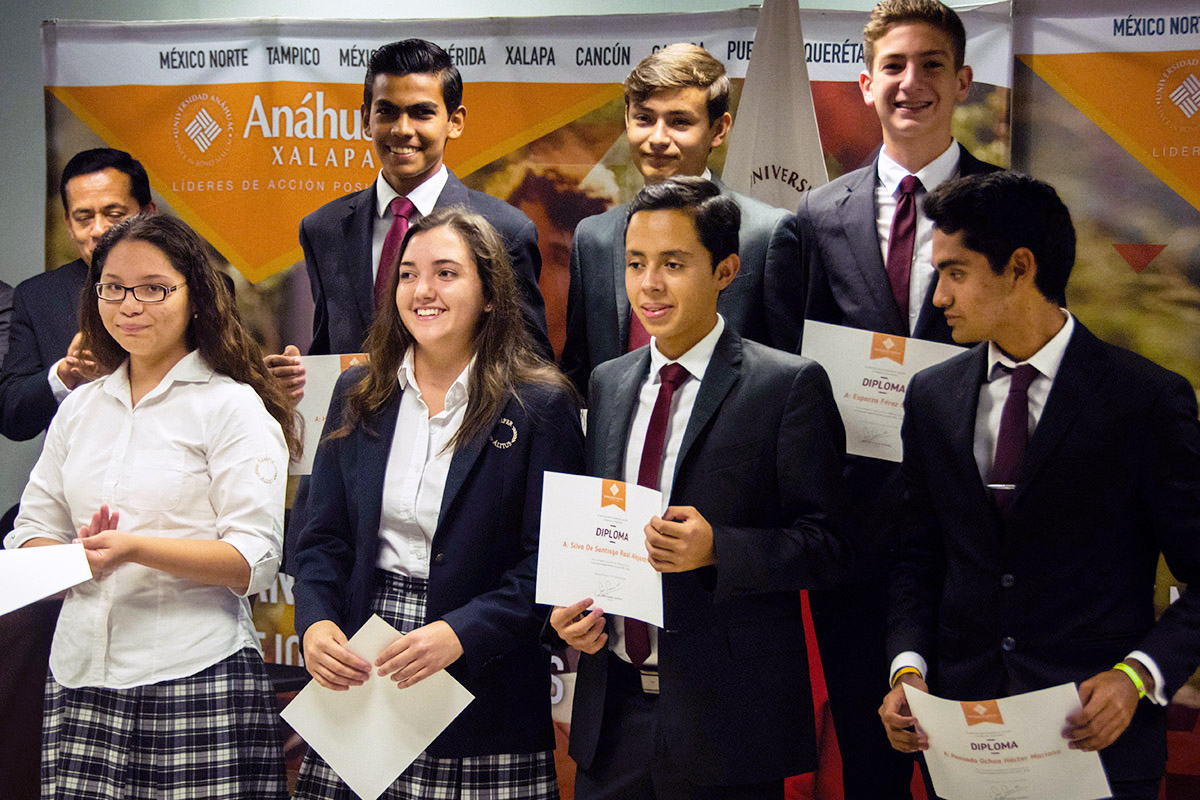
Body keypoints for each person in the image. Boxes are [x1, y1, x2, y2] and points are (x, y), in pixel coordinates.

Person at [880, 171, 1200, 800]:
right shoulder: (930, 396)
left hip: (1096, 742)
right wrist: (908, 669)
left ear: (1020, 267)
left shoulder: (1147, 400)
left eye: (956, 272)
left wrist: (1137, 676)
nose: (937, 296)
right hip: (963, 741)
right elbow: (915, 560)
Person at [550, 177, 851, 800]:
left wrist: (721, 550)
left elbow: (827, 546)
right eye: (635, 264)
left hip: (726, 721)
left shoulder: (786, 386)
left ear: (726, 270)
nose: (649, 285)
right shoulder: (607, 383)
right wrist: (572, 610)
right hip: (614, 712)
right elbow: (598, 532)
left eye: (673, 264)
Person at [292, 206, 583, 800]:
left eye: (446, 273)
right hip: (364, 665)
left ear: (492, 295)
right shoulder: (358, 390)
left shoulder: (539, 404)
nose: (422, 290)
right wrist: (316, 623)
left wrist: (460, 633)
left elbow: (553, 564)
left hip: (486, 679)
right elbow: (322, 538)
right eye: (407, 274)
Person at [784, 4, 1001, 796]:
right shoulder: (814, 217)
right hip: (853, 545)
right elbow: (792, 379)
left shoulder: (1008, 207)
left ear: (963, 81)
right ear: (867, 82)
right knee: (870, 772)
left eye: (933, 65)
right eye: (897, 66)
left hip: (972, 546)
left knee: (973, 772)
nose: (914, 84)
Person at [4, 213, 297, 799]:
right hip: (81, 672)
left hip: (195, 673)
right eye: (112, 287)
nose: (129, 305)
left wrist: (134, 548)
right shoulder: (81, 409)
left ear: (196, 297)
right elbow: (29, 532)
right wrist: (69, 561)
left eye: (154, 288)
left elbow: (252, 560)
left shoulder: (232, 408)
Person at [272, 37, 552, 400]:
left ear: (454, 121)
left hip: (463, 439)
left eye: (421, 112)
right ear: (366, 120)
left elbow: (530, 367)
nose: (402, 129)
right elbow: (329, 350)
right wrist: (296, 379)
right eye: (387, 111)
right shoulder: (323, 229)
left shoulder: (505, 232)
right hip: (360, 440)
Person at [559, 44, 795, 396]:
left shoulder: (765, 234)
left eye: (679, 121)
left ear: (718, 129)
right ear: (627, 119)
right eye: (644, 118)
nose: (657, 138)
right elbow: (580, 378)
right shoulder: (594, 238)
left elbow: (786, 379)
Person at [0, 148, 156, 441]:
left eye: (114, 214)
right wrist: (65, 373)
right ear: (69, 225)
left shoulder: (196, 287)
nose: (99, 230)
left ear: (148, 212)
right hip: (79, 475)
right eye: (84, 218)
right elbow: (11, 417)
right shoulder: (37, 297)